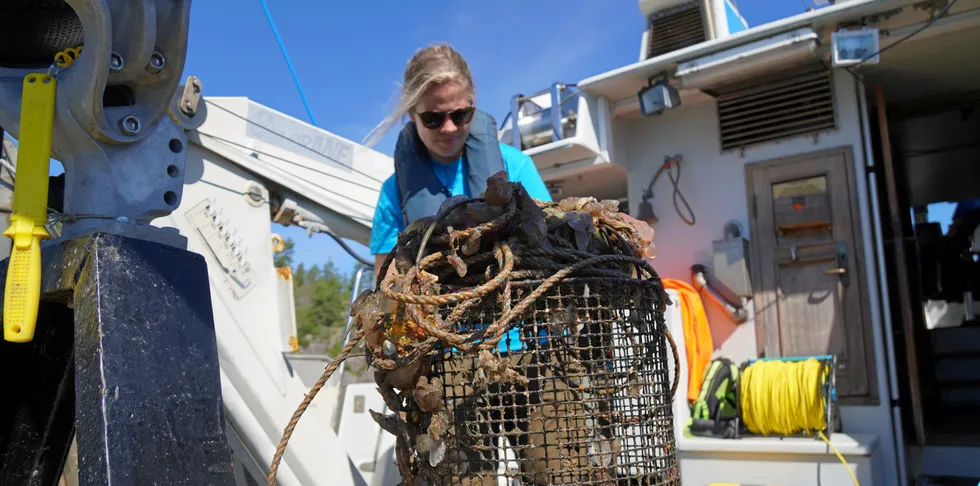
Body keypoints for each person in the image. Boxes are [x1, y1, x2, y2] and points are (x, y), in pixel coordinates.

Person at [367, 43, 552, 277]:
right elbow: (387, 275)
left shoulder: (515, 165)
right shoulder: (393, 191)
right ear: (412, 115)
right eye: (433, 118)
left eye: (460, 115)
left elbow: (550, 238)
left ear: (473, 106)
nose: (449, 128)